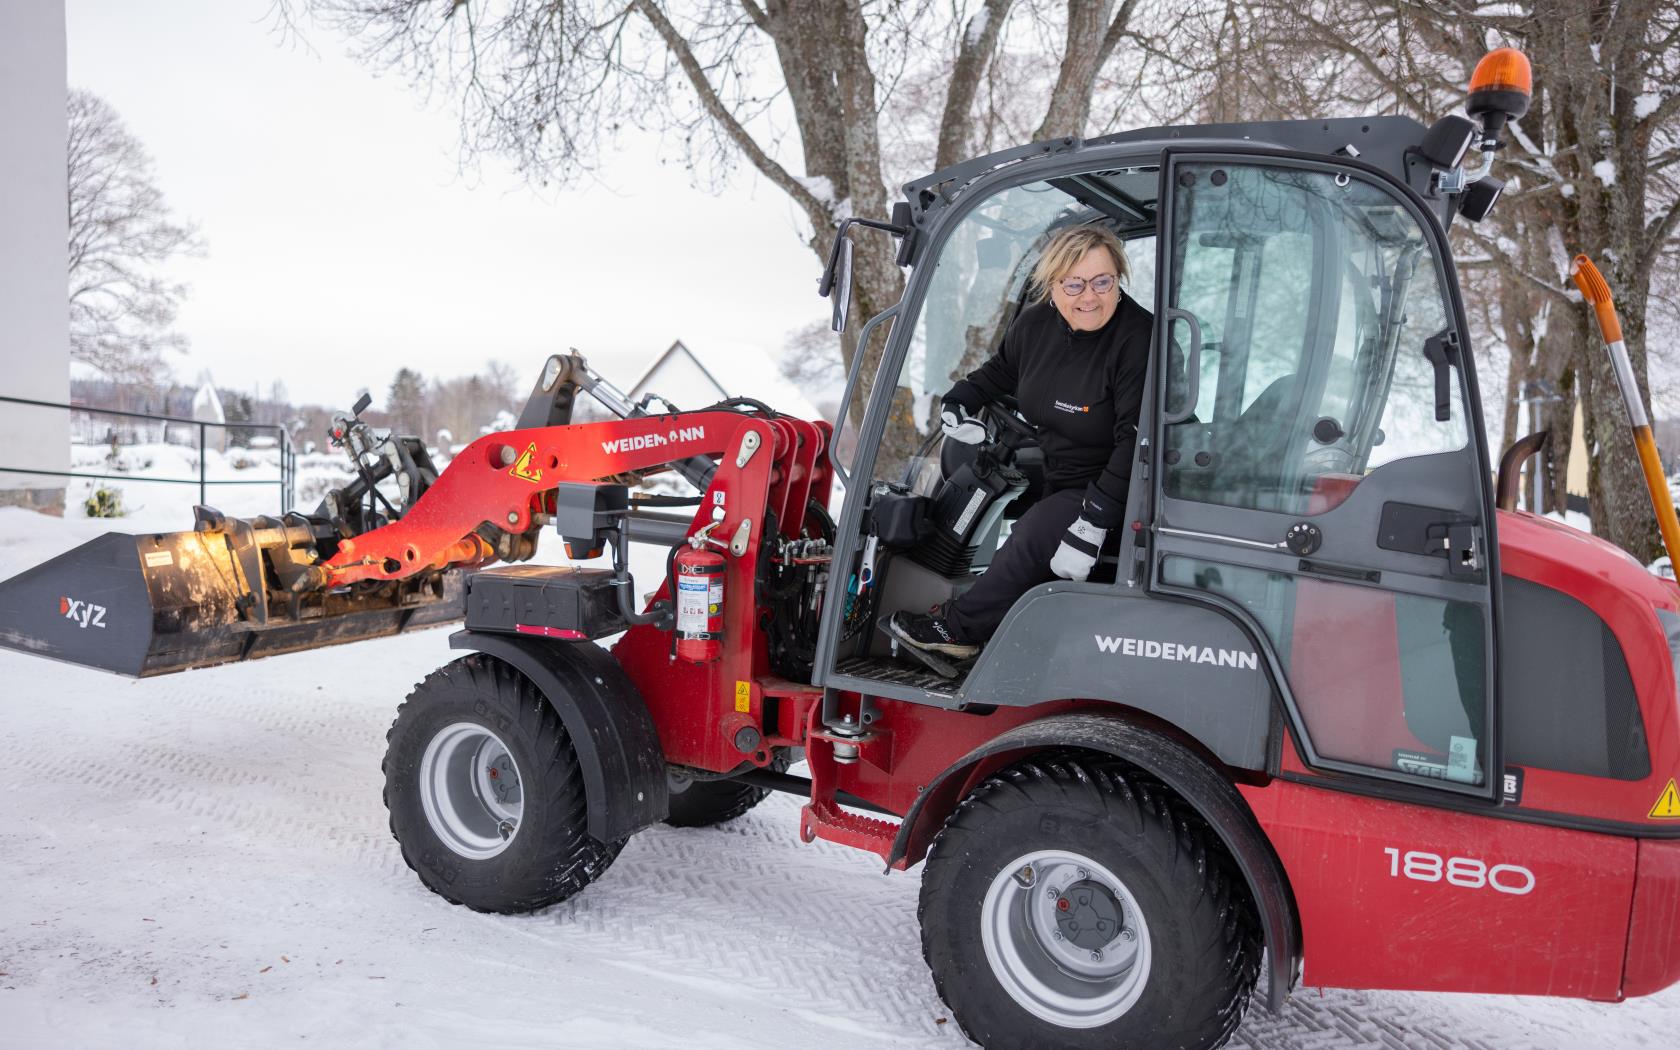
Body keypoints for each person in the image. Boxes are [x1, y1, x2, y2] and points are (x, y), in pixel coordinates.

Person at [887, 224, 1152, 659]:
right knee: (1025, 509)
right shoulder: (1036, 327)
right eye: (1075, 284)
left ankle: (958, 631)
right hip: (1061, 475)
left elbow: (1135, 440)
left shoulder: (1137, 338)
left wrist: (1093, 523)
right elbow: (1000, 373)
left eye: (1103, 282)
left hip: (1121, 486)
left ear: (1118, 278)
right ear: (1053, 285)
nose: (1090, 296)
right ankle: (1018, 637)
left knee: (1032, 532)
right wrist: (958, 402)